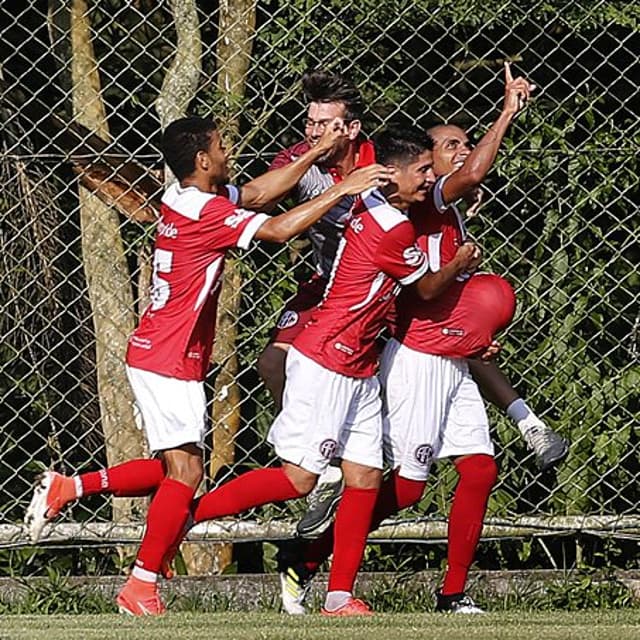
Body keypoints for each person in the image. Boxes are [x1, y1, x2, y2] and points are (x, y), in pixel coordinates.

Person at [24, 114, 389, 616]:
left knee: (175, 466)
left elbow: (259, 196)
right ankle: (141, 585)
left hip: (162, 350)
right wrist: (343, 187)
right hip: (169, 356)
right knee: (186, 472)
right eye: (220, 146)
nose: (227, 151)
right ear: (202, 160)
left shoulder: (186, 197)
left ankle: (74, 487)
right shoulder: (207, 213)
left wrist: (312, 154)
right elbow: (280, 228)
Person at [277, 63, 567, 616]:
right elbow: (475, 176)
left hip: (448, 353)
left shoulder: (444, 204)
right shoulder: (429, 199)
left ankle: (453, 593)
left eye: (463, 142)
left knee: (480, 468)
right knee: (407, 489)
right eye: (449, 146)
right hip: (418, 356)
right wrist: (506, 113)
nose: (459, 153)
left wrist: (473, 329)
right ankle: (308, 558)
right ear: (423, 162)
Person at [179, 126, 480, 616]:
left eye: (430, 168)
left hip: (356, 362)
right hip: (328, 360)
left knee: (364, 477)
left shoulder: (380, 211)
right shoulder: (391, 226)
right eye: (422, 170)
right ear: (391, 174)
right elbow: (425, 290)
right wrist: (460, 260)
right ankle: (186, 517)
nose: (429, 178)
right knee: (299, 478)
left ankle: (340, 595)